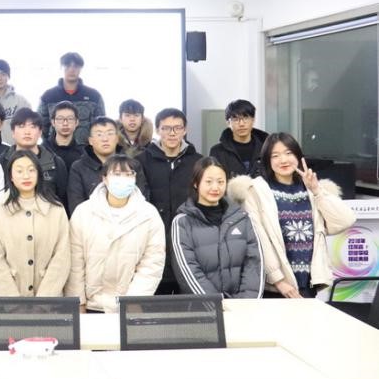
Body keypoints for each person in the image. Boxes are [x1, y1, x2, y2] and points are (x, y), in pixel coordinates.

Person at [228, 133, 355, 299]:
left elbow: (346, 220)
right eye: (275, 155)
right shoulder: (256, 191)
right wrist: (278, 280)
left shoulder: (312, 189)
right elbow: (259, 239)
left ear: (298, 156)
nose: (283, 160)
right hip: (274, 288)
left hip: (308, 284)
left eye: (288, 153)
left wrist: (317, 190)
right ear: (267, 160)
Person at [64, 155, 165, 313]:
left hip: (130, 306)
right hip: (91, 304)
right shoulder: (84, 212)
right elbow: (75, 261)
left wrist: (132, 301)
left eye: (128, 174)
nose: (123, 179)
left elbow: (152, 263)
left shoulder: (149, 214)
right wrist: (78, 302)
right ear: (104, 178)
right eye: (116, 174)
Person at [171, 158, 263, 298]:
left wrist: (246, 303)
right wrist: (216, 304)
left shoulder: (242, 218)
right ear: (196, 183)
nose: (215, 187)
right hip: (202, 307)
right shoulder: (182, 222)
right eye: (208, 182)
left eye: (220, 182)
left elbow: (254, 263)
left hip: (243, 307)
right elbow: (187, 270)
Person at [0, 151, 70, 297]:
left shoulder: (56, 210)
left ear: (39, 174)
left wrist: (44, 299)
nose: (26, 176)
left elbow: (62, 257)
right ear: (11, 176)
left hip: (49, 301)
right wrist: (13, 301)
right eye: (19, 171)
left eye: (31, 170)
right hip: (5, 302)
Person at [135, 108, 203, 294]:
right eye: (166, 128)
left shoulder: (198, 162)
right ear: (157, 130)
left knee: (189, 297)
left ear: (185, 130)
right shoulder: (141, 161)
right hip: (154, 239)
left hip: (190, 238)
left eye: (177, 128)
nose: (172, 133)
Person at [67, 117, 142, 214]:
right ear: (90, 141)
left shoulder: (132, 165)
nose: (105, 139)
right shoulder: (78, 167)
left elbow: (141, 198)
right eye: (99, 134)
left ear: (117, 138)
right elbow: (76, 205)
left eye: (110, 133)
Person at [0, 108, 69, 209]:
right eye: (21, 126)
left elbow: (63, 200)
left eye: (33, 127)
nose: (27, 132)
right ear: (13, 132)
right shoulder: (0, 163)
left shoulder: (55, 163)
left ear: (40, 132)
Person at [37, 52, 105, 145]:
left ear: (81, 68)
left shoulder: (94, 96)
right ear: (61, 67)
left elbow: (101, 125)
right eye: (67, 66)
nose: (71, 70)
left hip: (86, 149)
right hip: (55, 150)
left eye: (75, 66)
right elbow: (41, 125)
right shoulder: (48, 96)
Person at [210, 99, 268, 179]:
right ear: (228, 123)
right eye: (236, 119)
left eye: (246, 118)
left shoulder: (265, 148)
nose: (241, 124)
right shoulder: (218, 152)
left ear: (253, 120)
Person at [44, 101, 82, 172]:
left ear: (77, 122)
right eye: (60, 119)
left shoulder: (83, 154)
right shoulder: (43, 150)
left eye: (70, 119)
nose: (65, 123)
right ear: (53, 122)